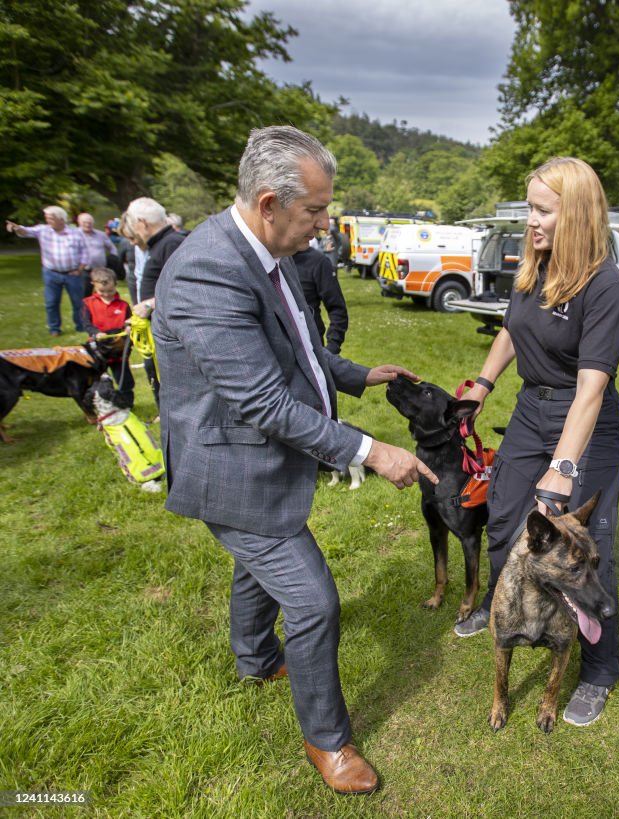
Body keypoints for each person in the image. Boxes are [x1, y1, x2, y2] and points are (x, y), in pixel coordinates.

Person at [152, 124, 437, 796]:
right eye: (315, 211)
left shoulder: (267, 255)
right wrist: (373, 450)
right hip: (230, 467)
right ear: (270, 201)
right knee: (313, 600)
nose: (324, 224)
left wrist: (362, 374)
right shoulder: (208, 270)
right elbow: (264, 401)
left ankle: (254, 657)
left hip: (262, 467)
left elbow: (300, 351)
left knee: (262, 563)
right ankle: (327, 740)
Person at [456, 157, 619, 728]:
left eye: (541, 210)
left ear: (575, 214)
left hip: (584, 423)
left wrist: (562, 467)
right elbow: (512, 330)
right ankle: (507, 613)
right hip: (532, 410)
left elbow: (591, 390)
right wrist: (483, 384)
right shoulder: (536, 266)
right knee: (506, 519)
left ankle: (599, 671)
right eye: (529, 207)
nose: (530, 221)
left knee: (585, 546)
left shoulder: (604, 285)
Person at [125, 197, 185, 407]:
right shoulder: (161, 244)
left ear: (142, 223)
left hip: (172, 330)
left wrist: (150, 304)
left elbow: (185, 287)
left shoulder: (172, 243)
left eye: (132, 225)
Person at [6, 206, 89, 336]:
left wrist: (79, 269)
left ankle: (81, 326)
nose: (48, 221)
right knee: (51, 302)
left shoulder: (76, 233)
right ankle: (54, 328)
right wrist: (17, 228)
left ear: (61, 219)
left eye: (51, 218)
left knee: (78, 302)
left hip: (73, 273)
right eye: (47, 218)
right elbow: (26, 231)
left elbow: (84, 252)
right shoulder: (43, 230)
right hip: (51, 273)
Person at [81, 267, 134, 406]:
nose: (106, 295)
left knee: (124, 380)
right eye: (102, 292)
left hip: (118, 351)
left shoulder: (123, 305)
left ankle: (126, 404)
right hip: (98, 351)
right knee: (97, 380)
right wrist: (95, 332)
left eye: (110, 291)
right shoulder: (88, 303)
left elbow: (129, 321)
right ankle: (100, 405)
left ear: (115, 285)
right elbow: (86, 324)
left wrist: (128, 327)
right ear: (94, 285)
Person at [293, 244, 349, 354]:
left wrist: (332, 348)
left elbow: (337, 309)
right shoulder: (266, 260)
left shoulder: (317, 261)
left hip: (313, 351)